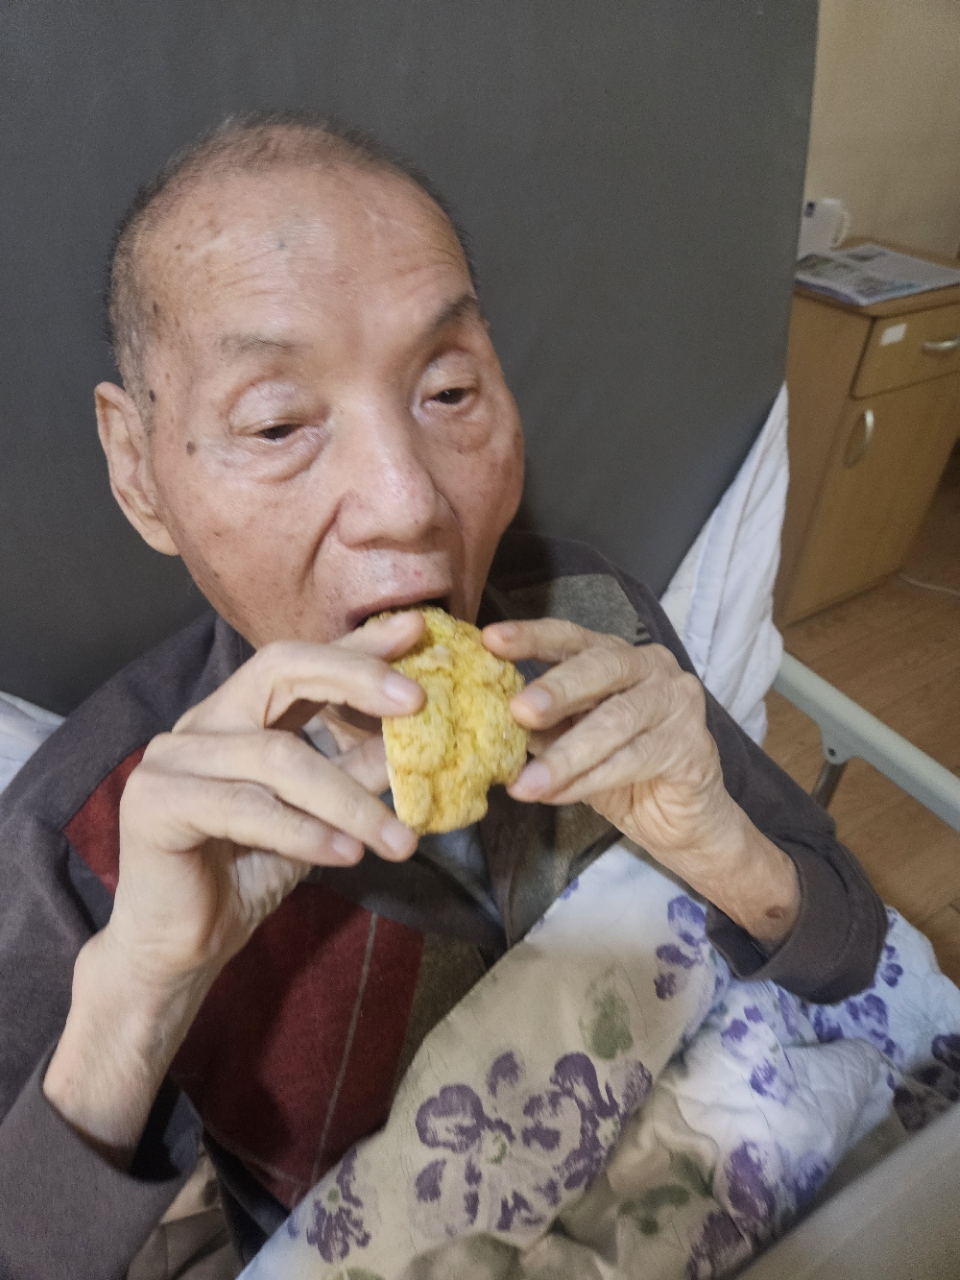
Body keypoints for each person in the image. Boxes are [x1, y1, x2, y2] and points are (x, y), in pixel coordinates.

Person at [0, 112, 887, 1280]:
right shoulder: (83, 837)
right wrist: (138, 1000)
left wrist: (722, 844)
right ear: (138, 468)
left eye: (451, 389)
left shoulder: (593, 615)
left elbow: (846, 950)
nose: (407, 500)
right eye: (277, 421)